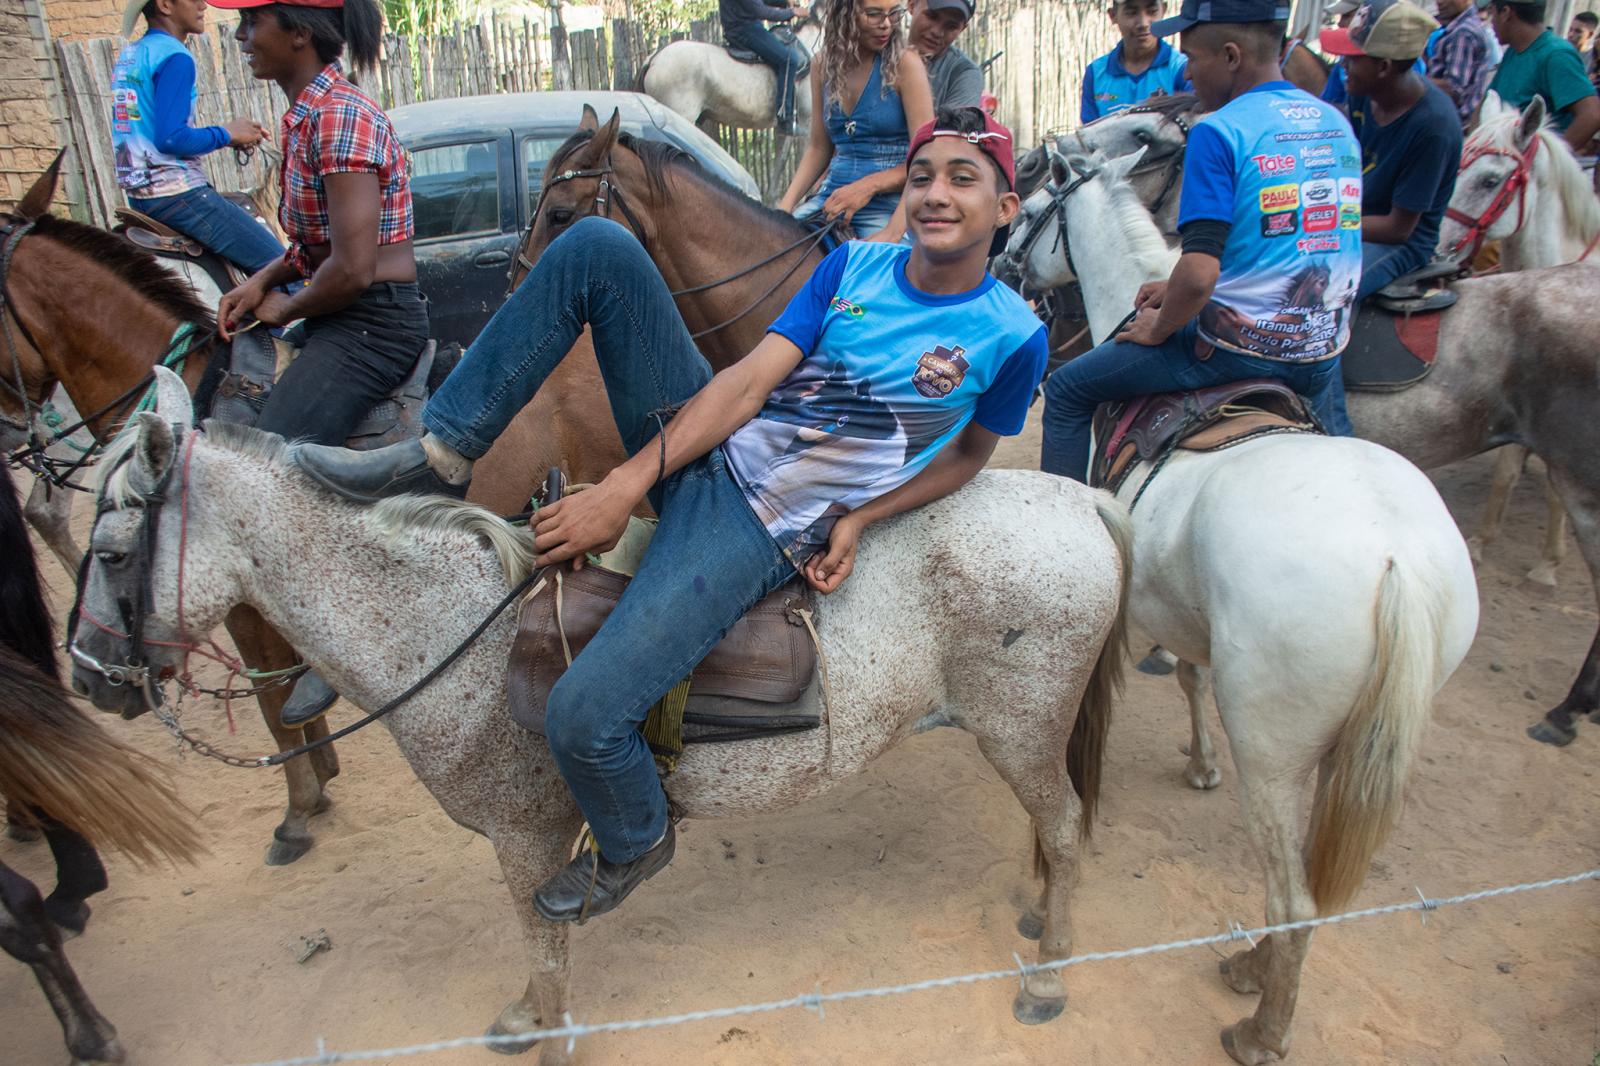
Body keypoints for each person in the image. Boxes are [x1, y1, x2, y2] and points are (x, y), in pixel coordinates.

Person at [295, 107, 1046, 922]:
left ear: (1004, 208)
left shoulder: (1014, 336)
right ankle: (439, 452)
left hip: (758, 526)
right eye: (924, 174)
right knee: (594, 248)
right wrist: (627, 484)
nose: (936, 194)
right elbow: (747, 385)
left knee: (581, 718)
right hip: (712, 447)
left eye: (963, 179)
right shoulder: (852, 268)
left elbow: (970, 455)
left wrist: (862, 517)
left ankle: (636, 835)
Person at [210, 0, 427, 729]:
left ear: (298, 33)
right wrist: (262, 280)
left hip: (374, 324)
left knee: (274, 470)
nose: (241, 37)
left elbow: (355, 267)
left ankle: (335, 651)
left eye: (252, 22)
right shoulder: (308, 114)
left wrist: (284, 310)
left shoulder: (339, 119)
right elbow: (313, 248)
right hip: (341, 310)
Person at [1041, 0, 1363, 480]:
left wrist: (1161, 324)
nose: (1187, 75)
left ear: (1231, 56)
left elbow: (1200, 274)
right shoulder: (1333, 122)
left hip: (1235, 348)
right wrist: (1171, 285)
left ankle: (1063, 539)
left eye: (1192, 58)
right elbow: (1279, 243)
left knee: (1067, 390)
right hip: (1321, 353)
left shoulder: (1219, 130)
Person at [112, 0, 284, 273]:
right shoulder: (175, 57)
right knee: (284, 268)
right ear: (166, 5)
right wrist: (228, 134)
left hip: (140, 197)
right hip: (177, 195)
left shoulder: (133, 54)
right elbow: (171, 139)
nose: (203, 4)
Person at [1324, 0, 1459, 302]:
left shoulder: (1433, 128)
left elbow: (1398, 228)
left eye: (1352, 59)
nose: (1342, 66)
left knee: (1321, 292)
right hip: (1355, 214)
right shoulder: (1363, 94)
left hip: (1400, 243)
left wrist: (1320, 223)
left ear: (1383, 67)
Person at [779, 0, 934, 240]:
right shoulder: (822, 65)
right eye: (873, 14)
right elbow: (819, 148)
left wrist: (870, 191)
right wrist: (784, 209)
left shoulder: (906, 65)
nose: (886, 25)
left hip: (892, 204)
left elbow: (926, 159)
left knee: (877, 271)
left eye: (893, 14)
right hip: (833, 198)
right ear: (845, 13)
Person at [1486, 0, 1600, 151]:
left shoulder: (1556, 55)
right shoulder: (1514, 51)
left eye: (1491, 11)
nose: (1490, 20)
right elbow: (1486, 102)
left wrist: (1548, 161)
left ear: (1506, 12)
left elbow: (1591, 115)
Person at [1080, 0, 1192, 122]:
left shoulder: (1182, 69)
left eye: (1152, 12)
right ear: (1113, 16)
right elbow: (1089, 131)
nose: (1143, 23)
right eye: (1131, 13)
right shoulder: (1096, 73)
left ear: (1163, 10)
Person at [720, 0, 812, 135]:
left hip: (741, 27)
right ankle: (785, 119)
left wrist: (784, 2)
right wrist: (792, 12)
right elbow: (761, 11)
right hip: (745, 29)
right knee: (789, 59)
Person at [1428, 0, 1496, 126]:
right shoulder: (1458, 27)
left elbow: (1453, 89)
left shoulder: (1463, 33)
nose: (1439, 2)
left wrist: (1414, 81)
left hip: (1454, 124)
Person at [908, 0, 983, 109]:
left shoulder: (964, 73)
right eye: (932, 16)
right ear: (912, 5)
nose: (937, 32)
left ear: (962, 29)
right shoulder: (880, 53)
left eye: (951, 26)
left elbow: (955, 124)